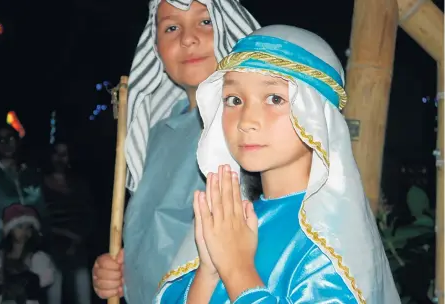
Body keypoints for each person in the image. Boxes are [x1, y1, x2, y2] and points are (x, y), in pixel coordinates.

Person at [154, 25, 401, 303]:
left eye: (275, 99)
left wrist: (237, 270)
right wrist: (210, 270)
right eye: (234, 100)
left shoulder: (331, 242)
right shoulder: (230, 223)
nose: (247, 121)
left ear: (316, 115)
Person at [91, 0, 260, 303]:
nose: (188, 38)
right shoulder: (156, 135)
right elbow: (151, 239)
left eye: (205, 22)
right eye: (171, 27)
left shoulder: (252, 131)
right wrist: (118, 274)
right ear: (155, 48)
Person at [43, 142, 94, 304]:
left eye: (64, 154)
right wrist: (62, 234)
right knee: (54, 287)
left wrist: (78, 238)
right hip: (52, 249)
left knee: (82, 284)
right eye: (57, 154)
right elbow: (40, 220)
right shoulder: (41, 185)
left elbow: (89, 217)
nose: (60, 158)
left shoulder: (79, 185)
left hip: (78, 248)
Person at [0, 125, 48, 248]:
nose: (6, 143)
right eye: (1, 140)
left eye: (10, 138)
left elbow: (42, 211)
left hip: (31, 248)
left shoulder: (30, 173)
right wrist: (13, 228)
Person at [0, 204, 55, 304]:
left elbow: (47, 276)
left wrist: (32, 279)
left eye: (28, 228)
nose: (24, 232)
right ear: (10, 229)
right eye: (20, 227)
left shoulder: (37, 257)